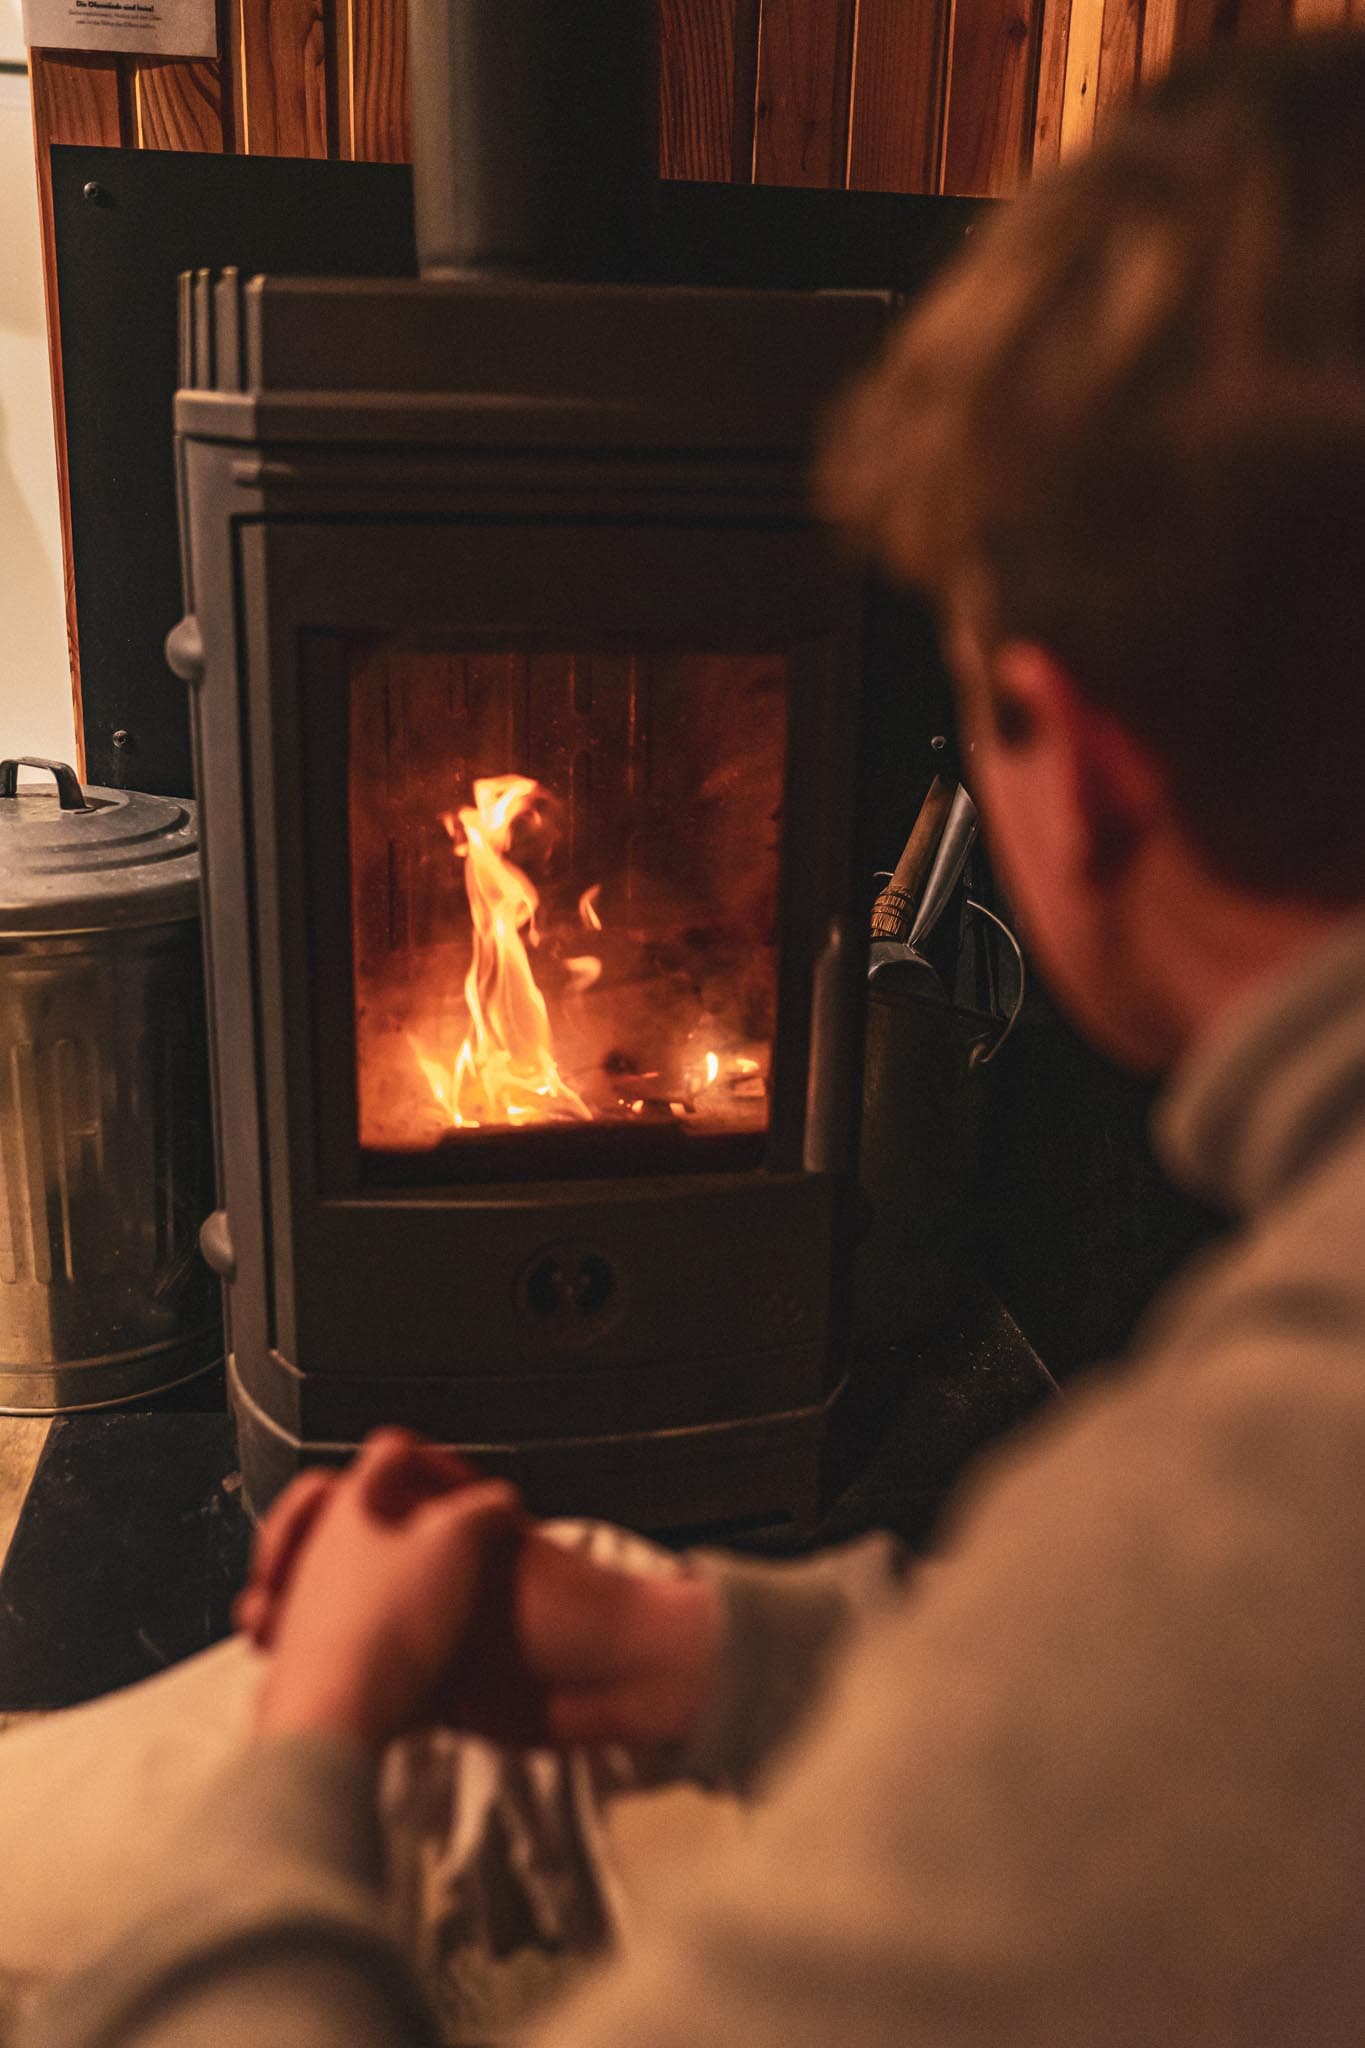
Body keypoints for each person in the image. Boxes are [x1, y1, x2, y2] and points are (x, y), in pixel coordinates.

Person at [29, 28, 1365, 2047]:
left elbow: (1170, 1664)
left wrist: (313, 1735)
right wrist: (717, 1653)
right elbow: (1191, 1712)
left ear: (1074, 769)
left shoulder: (1247, 1487)